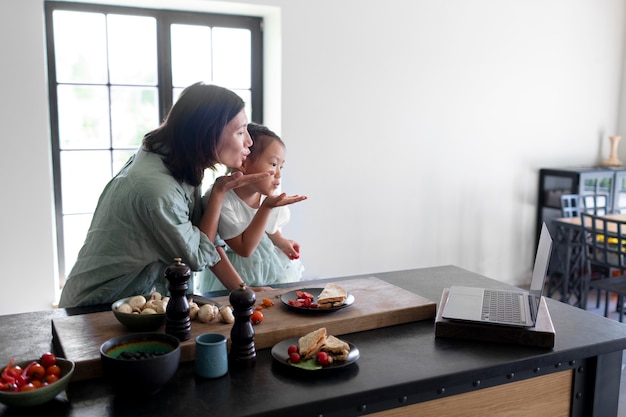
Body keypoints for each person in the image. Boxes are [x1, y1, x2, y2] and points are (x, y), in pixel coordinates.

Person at [58, 82, 272, 307]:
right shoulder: (159, 190)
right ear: (207, 133)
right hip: (95, 309)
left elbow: (204, 236)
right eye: (240, 132)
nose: (249, 141)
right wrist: (219, 191)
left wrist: (242, 290)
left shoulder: (179, 161)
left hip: (133, 305)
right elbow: (198, 256)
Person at [197, 123, 307, 293]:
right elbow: (244, 248)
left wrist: (281, 242)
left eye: (281, 166)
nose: (278, 174)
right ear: (244, 163)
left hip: (266, 262)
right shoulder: (222, 198)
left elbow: (269, 227)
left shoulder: (265, 193)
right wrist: (266, 207)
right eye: (272, 164)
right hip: (235, 271)